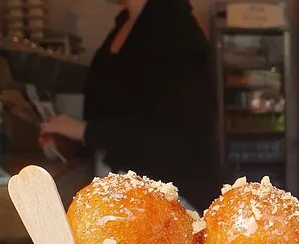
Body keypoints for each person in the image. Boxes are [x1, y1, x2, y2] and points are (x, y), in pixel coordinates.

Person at [41, 0, 220, 211]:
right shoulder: (125, 24)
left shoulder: (176, 29)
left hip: (170, 197)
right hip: (128, 189)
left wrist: (85, 131)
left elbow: (178, 136)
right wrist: (70, 141)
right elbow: (113, 113)